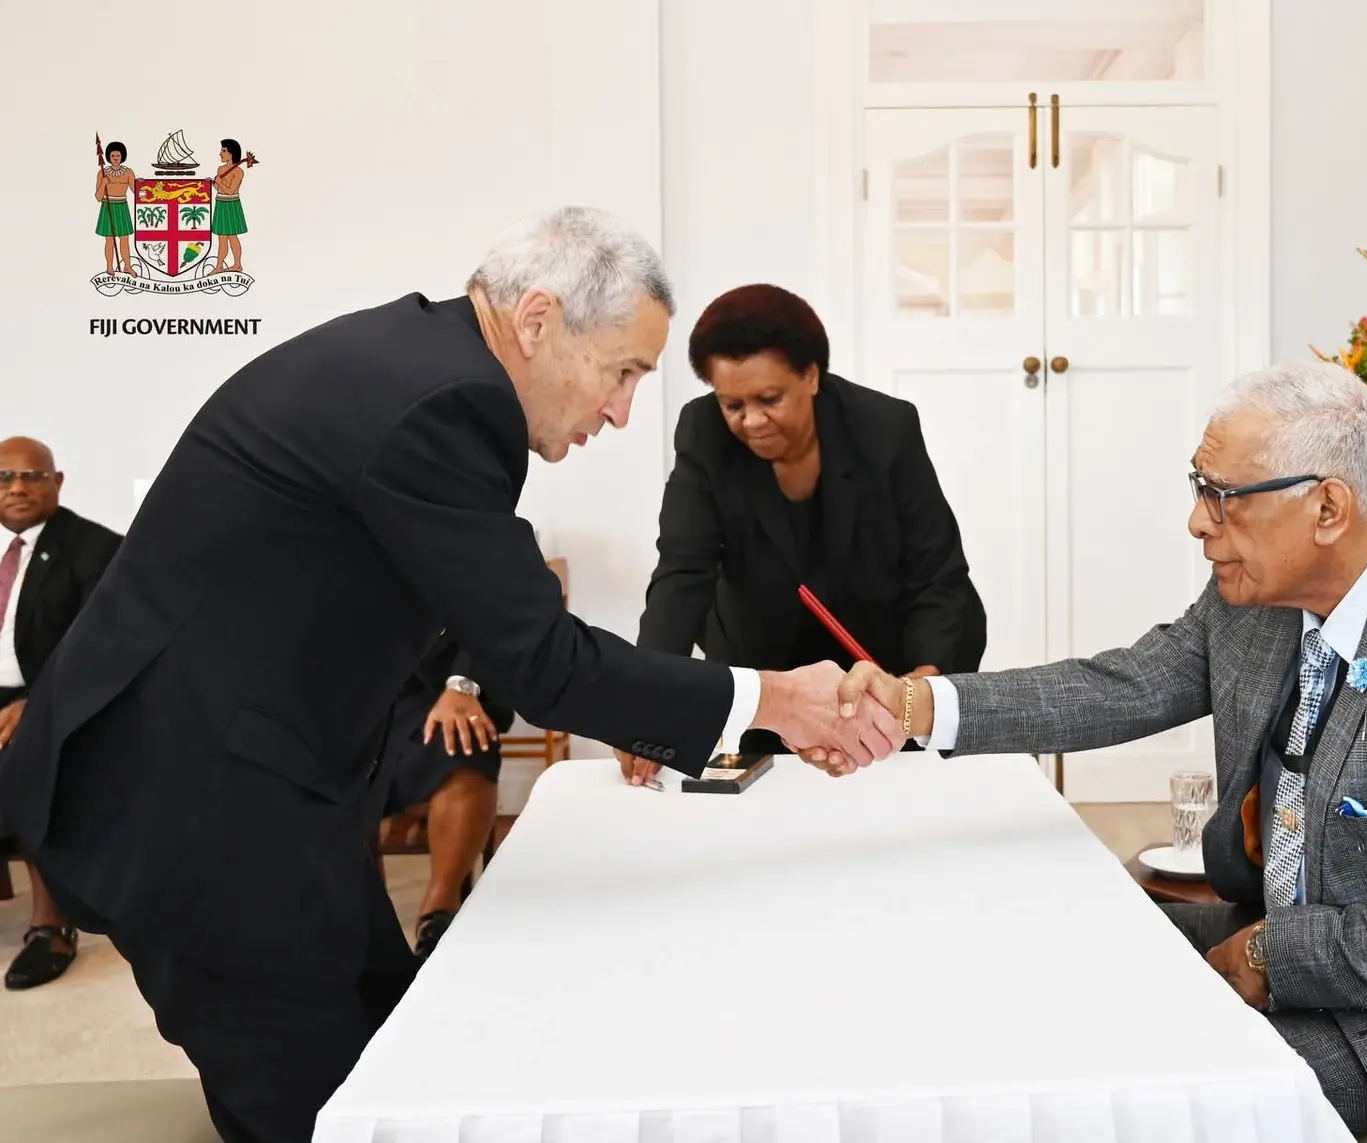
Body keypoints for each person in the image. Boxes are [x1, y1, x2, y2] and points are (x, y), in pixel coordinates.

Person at [0, 206, 895, 1143]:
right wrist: (772, 698)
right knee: (323, 1113)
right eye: (623, 371)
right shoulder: (444, 402)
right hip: (192, 806)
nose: (622, 410)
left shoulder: (421, 363)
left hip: (278, 784)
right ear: (539, 320)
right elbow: (541, 660)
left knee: (402, 1061)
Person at [833, 361, 1367, 1141]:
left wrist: (1274, 955)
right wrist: (918, 705)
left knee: (1134, 1090)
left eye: (1223, 495)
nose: (1196, 521)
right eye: (1199, 488)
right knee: (1057, 941)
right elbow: (1121, 686)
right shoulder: (1258, 598)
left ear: (1327, 508)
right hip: (1330, 964)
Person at [633, 283, 984, 763]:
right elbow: (681, 574)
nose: (752, 421)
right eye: (733, 405)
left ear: (812, 376)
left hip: (884, 658)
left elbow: (937, 573)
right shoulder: (702, 432)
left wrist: (916, 692)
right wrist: (647, 704)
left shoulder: (885, 429)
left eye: (770, 399)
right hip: (765, 662)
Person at [0, 438, 122, 990]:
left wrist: (38, 702)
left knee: (22, 762)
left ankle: (51, 924)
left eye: (31, 476)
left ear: (57, 481)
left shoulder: (94, 549)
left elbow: (101, 646)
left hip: (52, 698)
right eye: (5, 478)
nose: (17, 488)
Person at [371, 630, 514, 961]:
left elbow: (493, 614)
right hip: (361, 688)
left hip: (447, 682)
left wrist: (463, 684)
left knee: (464, 743)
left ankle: (439, 911)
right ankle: (366, 921)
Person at [95, 141, 135, 275]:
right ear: (108, 157)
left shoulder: (128, 172)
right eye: (113, 156)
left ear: (122, 156)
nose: (116, 158)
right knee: (109, 240)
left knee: (124, 239)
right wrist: (103, 184)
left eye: (118, 155)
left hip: (122, 207)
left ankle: (127, 266)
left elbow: (136, 191)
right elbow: (98, 197)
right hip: (108, 207)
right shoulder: (102, 173)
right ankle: (109, 267)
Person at [211, 138, 247, 273]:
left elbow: (231, 190)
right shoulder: (220, 169)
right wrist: (213, 183)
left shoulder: (238, 172)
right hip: (220, 203)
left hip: (231, 205)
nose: (220, 154)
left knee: (232, 236)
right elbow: (219, 189)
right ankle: (219, 266)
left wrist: (219, 182)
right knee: (221, 238)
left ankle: (237, 264)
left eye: (223, 151)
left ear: (231, 153)